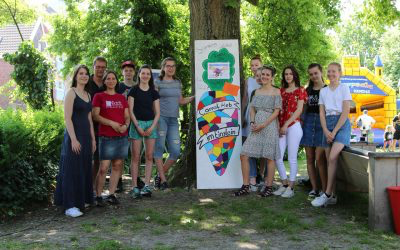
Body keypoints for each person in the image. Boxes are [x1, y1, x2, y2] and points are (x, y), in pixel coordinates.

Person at [54, 65, 96, 217]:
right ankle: (69, 206)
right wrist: (73, 139)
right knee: (71, 170)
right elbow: (67, 118)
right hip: (74, 137)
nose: (84, 76)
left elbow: (89, 119)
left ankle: (80, 201)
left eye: (86, 74)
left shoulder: (88, 94)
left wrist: (93, 139)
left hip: (85, 137)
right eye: (81, 73)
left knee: (83, 168)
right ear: (76, 76)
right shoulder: (71, 93)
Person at [234, 66, 281, 197]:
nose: (264, 77)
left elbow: (277, 111)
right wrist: (253, 122)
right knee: (244, 154)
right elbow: (252, 108)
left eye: (267, 75)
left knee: (269, 157)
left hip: (269, 125)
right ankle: (246, 186)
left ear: (272, 77)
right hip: (256, 126)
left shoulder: (276, 91)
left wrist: (264, 124)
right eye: (263, 74)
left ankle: (268, 187)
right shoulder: (257, 92)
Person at [312, 62, 352, 207]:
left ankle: (327, 193)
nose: (330, 74)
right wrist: (326, 130)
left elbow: (346, 111)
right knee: (329, 160)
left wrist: (334, 132)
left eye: (334, 71)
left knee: (333, 156)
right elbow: (321, 113)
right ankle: (333, 195)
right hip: (327, 124)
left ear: (340, 73)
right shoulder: (323, 91)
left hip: (341, 124)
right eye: (328, 71)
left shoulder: (344, 88)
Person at [153, 57, 194, 190]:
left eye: (173, 66)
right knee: (159, 149)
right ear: (163, 67)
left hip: (173, 120)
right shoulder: (157, 81)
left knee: (175, 152)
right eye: (168, 66)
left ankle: (159, 176)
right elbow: (153, 101)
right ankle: (163, 181)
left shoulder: (178, 82)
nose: (170, 68)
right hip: (161, 119)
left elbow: (181, 101)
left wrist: (194, 97)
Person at [92, 71, 130, 206]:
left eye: (113, 78)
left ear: (116, 81)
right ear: (104, 81)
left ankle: (111, 194)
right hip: (106, 136)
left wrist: (126, 126)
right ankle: (97, 195)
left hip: (121, 136)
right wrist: (112, 123)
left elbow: (127, 115)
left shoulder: (121, 98)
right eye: (108, 78)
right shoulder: (99, 96)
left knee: (117, 165)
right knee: (103, 167)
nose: (111, 80)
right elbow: (95, 115)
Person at [274, 65, 307, 198]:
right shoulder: (280, 91)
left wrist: (286, 124)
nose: (288, 76)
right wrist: (279, 125)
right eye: (286, 74)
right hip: (281, 126)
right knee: (278, 156)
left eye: (290, 74)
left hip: (293, 125)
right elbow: (277, 109)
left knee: (292, 158)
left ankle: (291, 188)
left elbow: (299, 110)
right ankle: (284, 183)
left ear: (294, 75)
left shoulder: (301, 90)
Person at [128, 65, 160, 198]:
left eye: (148, 74)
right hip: (137, 124)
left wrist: (152, 127)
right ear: (139, 75)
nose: (145, 75)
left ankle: (147, 185)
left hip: (150, 124)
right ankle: (135, 186)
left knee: (149, 156)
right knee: (135, 157)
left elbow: (157, 112)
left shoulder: (154, 92)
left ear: (150, 76)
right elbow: (130, 110)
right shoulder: (133, 90)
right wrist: (137, 126)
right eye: (143, 73)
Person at [300, 63, 327, 199]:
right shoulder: (307, 90)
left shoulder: (328, 89)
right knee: (310, 158)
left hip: (323, 124)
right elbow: (303, 109)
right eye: (311, 74)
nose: (314, 76)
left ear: (321, 72)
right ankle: (314, 188)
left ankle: (324, 189)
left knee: (320, 159)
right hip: (308, 123)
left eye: (316, 73)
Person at [241, 55, 266, 191]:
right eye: (252, 65)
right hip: (248, 114)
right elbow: (245, 99)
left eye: (257, 65)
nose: (254, 67)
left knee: (262, 147)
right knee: (248, 146)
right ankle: (252, 177)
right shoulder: (249, 81)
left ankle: (261, 175)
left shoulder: (265, 79)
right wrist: (242, 116)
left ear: (261, 65)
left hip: (262, 115)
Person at [115, 60, 137, 193]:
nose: (128, 72)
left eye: (130, 70)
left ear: (134, 72)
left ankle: (136, 180)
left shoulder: (139, 86)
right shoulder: (118, 86)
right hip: (122, 123)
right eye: (126, 70)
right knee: (120, 154)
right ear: (122, 72)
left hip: (135, 123)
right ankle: (118, 180)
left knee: (135, 154)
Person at [87, 56, 107, 193]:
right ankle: (84, 188)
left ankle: (93, 190)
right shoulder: (86, 82)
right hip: (87, 125)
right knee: (87, 160)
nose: (100, 69)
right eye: (98, 67)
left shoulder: (107, 83)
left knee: (99, 160)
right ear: (93, 67)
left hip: (103, 126)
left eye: (103, 67)